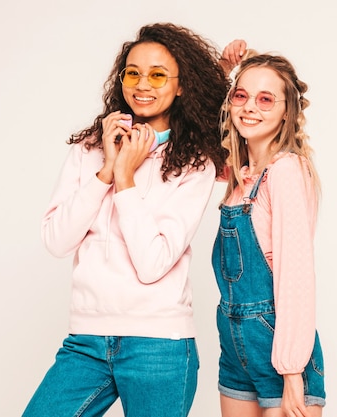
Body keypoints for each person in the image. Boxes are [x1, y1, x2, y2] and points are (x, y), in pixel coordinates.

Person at [22, 23, 232, 417]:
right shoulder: (90, 149)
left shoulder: (194, 163)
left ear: (181, 85)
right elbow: (56, 239)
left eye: (157, 74)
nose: (142, 84)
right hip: (86, 340)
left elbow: (153, 263)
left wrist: (125, 178)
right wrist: (106, 170)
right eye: (133, 73)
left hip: (159, 345)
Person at [213, 41, 326, 417]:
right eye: (241, 95)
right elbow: (193, 135)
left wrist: (292, 368)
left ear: (286, 112)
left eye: (265, 99)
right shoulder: (241, 177)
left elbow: (295, 275)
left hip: (279, 345)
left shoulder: (286, 171)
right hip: (234, 348)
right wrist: (220, 70)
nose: (249, 107)